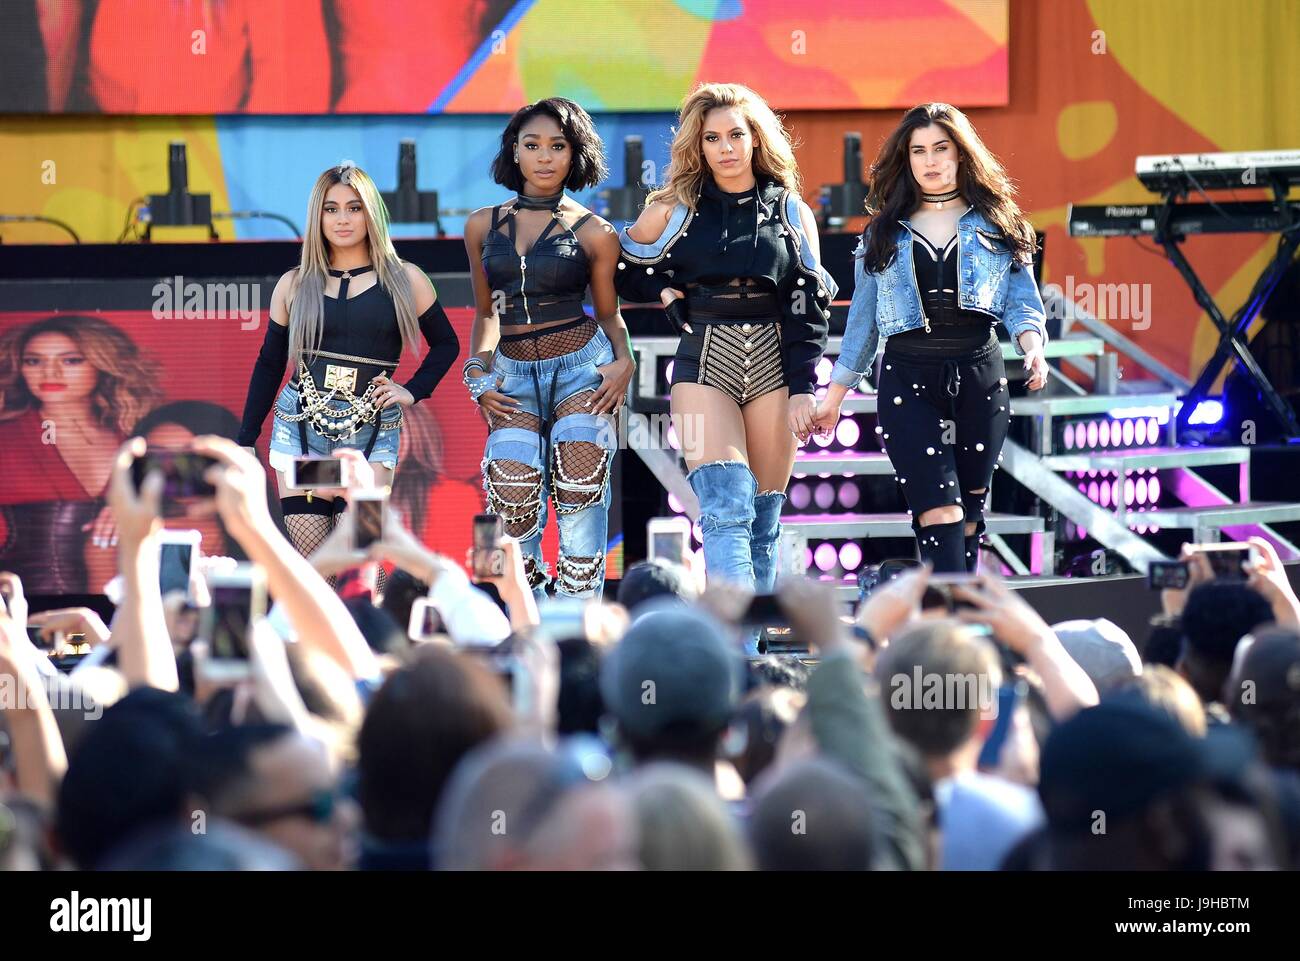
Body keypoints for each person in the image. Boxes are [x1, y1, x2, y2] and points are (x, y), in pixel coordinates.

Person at [616, 83, 836, 614]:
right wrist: (660, 290)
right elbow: (617, 262)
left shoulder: (790, 210)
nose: (726, 147)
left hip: (773, 359)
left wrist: (805, 387)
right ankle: (738, 648)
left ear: (756, 139)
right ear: (699, 144)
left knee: (762, 522)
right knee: (724, 505)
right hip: (701, 356)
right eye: (712, 137)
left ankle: (753, 647)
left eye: (736, 134)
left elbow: (808, 304)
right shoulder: (676, 206)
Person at [816, 102, 1050, 573]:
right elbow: (863, 324)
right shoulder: (883, 233)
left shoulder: (998, 223)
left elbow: (1020, 301)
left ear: (962, 154)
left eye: (941, 148)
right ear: (906, 160)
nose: (930, 160)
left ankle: (950, 625)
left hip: (981, 375)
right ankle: (951, 630)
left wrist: (1033, 349)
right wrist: (834, 395)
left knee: (966, 519)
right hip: (907, 376)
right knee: (939, 510)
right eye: (918, 151)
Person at [237, 161, 459, 564]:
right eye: (331, 208)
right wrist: (245, 439)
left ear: (371, 212)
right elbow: (270, 363)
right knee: (316, 570)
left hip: (370, 437)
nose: (342, 218)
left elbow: (446, 344)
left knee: (363, 564)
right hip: (301, 433)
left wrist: (410, 391)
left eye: (354, 208)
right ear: (317, 215)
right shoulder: (294, 283)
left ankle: (375, 627)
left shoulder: (405, 279)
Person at [463, 98, 634, 600]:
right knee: (510, 492)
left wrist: (625, 362)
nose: (544, 157)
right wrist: (478, 376)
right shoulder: (480, 226)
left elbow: (608, 315)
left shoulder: (596, 233)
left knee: (580, 489)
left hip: (583, 367)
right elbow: (486, 314)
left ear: (573, 154)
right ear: (514, 152)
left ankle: (580, 629)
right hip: (511, 372)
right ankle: (530, 619)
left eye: (557, 146)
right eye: (532, 145)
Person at [0, 315, 160, 592]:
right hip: (25, 611)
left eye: (71, 360)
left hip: (130, 607)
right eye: (34, 361)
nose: (50, 373)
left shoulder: (139, 437)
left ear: (103, 366)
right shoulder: (7, 436)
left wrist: (137, 507)